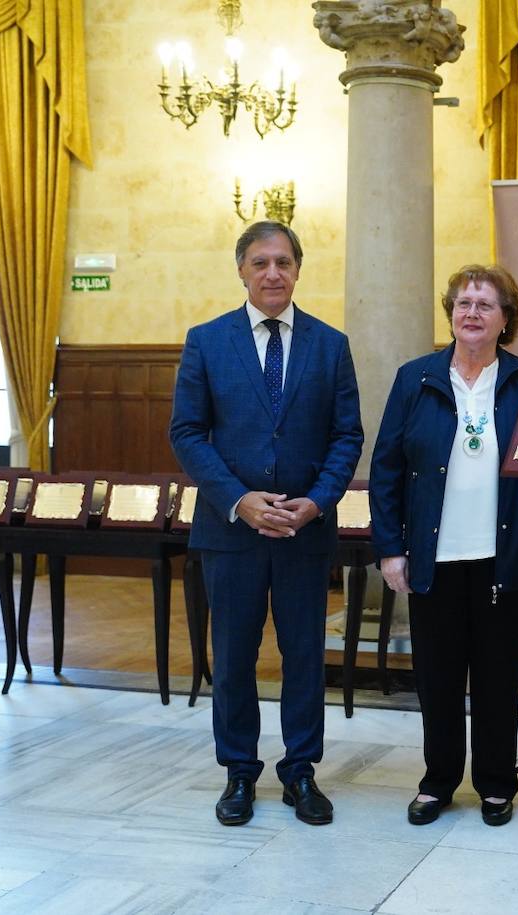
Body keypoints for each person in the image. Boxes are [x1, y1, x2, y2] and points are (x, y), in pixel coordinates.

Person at [170, 220, 363, 828]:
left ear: (299, 269)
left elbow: (346, 434)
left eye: (283, 262)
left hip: (306, 530)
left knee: (305, 655)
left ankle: (301, 772)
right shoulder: (206, 341)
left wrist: (319, 500)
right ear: (242, 271)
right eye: (260, 263)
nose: (273, 273)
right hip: (230, 532)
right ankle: (239, 773)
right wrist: (239, 499)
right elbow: (187, 433)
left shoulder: (330, 345)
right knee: (232, 658)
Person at [369, 264, 518, 827]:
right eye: (462, 303)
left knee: (500, 675)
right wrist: (391, 547)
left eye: (485, 304)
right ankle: (438, 780)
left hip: (505, 555)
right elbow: (386, 469)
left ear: (506, 319)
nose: (471, 313)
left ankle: (498, 782)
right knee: (438, 676)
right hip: (434, 557)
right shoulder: (415, 378)